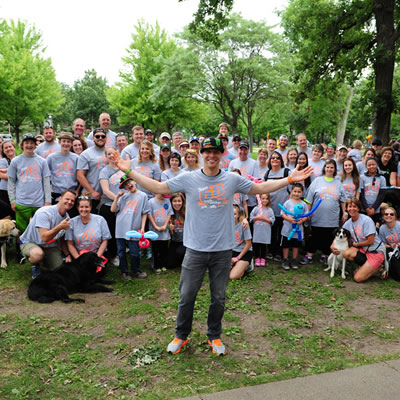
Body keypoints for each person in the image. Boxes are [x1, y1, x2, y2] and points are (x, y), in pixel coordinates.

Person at [112, 137, 313, 356]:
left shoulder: (231, 180)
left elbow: (260, 187)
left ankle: (214, 336)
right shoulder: (188, 179)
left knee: (218, 297)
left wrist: (290, 178)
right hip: (195, 249)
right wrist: (129, 172)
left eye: (216, 152)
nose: (211, 156)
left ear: (221, 154)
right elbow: (158, 186)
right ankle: (181, 335)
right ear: (201, 154)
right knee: (187, 295)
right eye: (207, 152)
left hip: (222, 250)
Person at [19, 190, 76, 278]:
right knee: (37, 254)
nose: (69, 202)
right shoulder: (45, 212)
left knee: (60, 270)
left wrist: (67, 254)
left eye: (72, 201)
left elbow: (61, 239)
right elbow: (44, 237)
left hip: (49, 246)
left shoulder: (67, 218)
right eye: (67, 199)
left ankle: (44, 260)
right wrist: (60, 227)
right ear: (60, 199)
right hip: (30, 242)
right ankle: (35, 264)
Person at [300, 159, 347, 265]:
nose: (329, 169)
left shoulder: (338, 183)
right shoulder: (317, 181)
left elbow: (343, 200)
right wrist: (308, 212)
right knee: (315, 235)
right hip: (317, 215)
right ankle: (309, 255)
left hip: (332, 217)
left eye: (332, 167)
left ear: (335, 169)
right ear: (324, 168)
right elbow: (309, 199)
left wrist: (344, 212)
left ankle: (325, 255)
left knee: (329, 236)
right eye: (327, 167)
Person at [8, 133, 51, 233]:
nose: (29, 145)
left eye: (32, 143)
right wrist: (12, 200)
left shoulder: (42, 161)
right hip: (22, 202)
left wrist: (47, 201)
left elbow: (46, 182)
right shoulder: (15, 161)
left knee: (40, 229)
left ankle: (39, 247)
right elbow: (11, 182)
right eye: (26, 143)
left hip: (39, 202)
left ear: (35, 145)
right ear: (22, 145)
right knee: (21, 230)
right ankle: (21, 247)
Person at [336, 198, 385, 282]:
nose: (352, 209)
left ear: (359, 208)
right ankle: (368, 266)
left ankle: (379, 267)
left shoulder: (367, 220)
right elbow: (340, 235)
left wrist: (356, 245)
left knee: (357, 278)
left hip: (375, 251)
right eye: (349, 207)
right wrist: (332, 246)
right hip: (363, 250)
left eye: (354, 206)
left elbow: (371, 241)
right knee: (346, 253)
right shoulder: (347, 224)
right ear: (346, 209)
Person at [111, 176, 149, 280]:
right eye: (125, 185)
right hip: (120, 228)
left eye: (129, 182)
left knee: (134, 251)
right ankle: (124, 271)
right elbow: (113, 209)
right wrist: (116, 198)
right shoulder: (123, 197)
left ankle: (136, 270)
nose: (128, 185)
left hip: (134, 228)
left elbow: (145, 212)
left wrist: (142, 227)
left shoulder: (143, 196)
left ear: (134, 181)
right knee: (121, 251)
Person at [263, 151, 291, 261]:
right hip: (270, 209)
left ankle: (279, 252)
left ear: (281, 160)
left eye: (277, 158)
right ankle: (271, 251)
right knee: (272, 232)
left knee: (281, 232)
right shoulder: (267, 174)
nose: (275, 160)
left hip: (283, 210)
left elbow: (292, 190)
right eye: (273, 158)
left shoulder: (286, 172)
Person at [99, 147, 124, 265]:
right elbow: (106, 190)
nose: (111, 155)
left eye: (113, 153)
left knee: (121, 231)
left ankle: (122, 252)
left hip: (124, 205)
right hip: (109, 205)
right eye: (108, 154)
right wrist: (118, 200)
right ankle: (113, 254)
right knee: (112, 232)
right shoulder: (104, 171)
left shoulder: (122, 168)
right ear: (106, 156)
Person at [76, 127, 108, 211]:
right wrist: (92, 192)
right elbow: (80, 175)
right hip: (90, 196)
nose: (100, 138)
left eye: (102, 136)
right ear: (93, 138)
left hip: (107, 197)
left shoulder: (111, 152)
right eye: (97, 136)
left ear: (106, 138)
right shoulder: (86, 154)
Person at [46, 132, 80, 204]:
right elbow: (45, 175)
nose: (66, 143)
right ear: (59, 142)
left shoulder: (76, 158)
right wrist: (48, 191)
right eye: (64, 141)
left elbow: (81, 176)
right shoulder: (51, 157)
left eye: (68, 141)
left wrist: (77, 191)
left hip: (72, 193)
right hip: (56, 193)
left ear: (71, 143)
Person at [280, 183, 308, 270]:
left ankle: (294, 259)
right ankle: (285, 259)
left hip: (298, 230)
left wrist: (302, 220)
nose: (296, 193)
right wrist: (289, 219)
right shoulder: (288, 203)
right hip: (287, 229)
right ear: (291, 191)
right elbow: (282, 213)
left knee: (296, 245)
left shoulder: (303, 204)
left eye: (299, 192)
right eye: (295, 191)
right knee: (286, 245)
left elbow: (306, 215)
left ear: (302, 193)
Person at [148, 192, 173, 273]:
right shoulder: (151, 202)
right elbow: (149, 214)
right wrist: (155, 226)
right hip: (154, 232)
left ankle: (163, 265)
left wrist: (165, 225)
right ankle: (156, 266)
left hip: (164, 231)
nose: (163, 194)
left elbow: (169, 214)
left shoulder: (167, 201)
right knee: (155, 249)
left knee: (164, 249)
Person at [250, 193, 274, 267]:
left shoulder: (269, 210)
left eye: (266, 199)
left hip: (265, 232)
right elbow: (251, 218)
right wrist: (257, 218)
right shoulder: (256, 209)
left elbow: (272, 220)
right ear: (259, 199)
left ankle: (263, 258)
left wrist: (265, 219)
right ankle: (257, 258)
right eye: (263, 198)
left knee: (263, 245)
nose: (265, 200)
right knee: (257, 245)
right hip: (257, 231)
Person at [360, 157, 386, 223]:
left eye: (373, 164)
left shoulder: (382, 178)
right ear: (366, 166)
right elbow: (361, 194)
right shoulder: (362, 178)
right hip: (364, 209)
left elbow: (381, 195)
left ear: (377, 165)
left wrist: (374, 208)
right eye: (369, 165)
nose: (371, 166)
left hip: (376, 209)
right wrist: (366, 208)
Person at [230, 204, 253, 280]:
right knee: (219, 273)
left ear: (238, 214)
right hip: (231, 251)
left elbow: (248, 244)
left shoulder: (244, 225)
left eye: (234, 214)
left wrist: (237, 258)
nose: (232, 216)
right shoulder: (225, 224)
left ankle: (246, 266)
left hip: (244, 252)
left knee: (232, 276)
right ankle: (236, 266)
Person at [168, 192, 186, 269]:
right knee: (170, 264)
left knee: (180, 252)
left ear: (182, 202)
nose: (177, 203)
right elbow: (171, 235)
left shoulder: (187, 213)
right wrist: (171, 230)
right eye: (174, 201)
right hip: (174, 241)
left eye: (179, 201)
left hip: (185, 242)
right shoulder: (170, 214)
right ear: (171, 202)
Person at [0, 140, 16, 218]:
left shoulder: (19, 159)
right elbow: (1, 175)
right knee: (8, 212)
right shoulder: (3, 161)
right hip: (5, 191)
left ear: (14, 148)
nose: (9, 149)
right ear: (3, 151)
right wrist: (16, 176)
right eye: (6, 148)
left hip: (16, 191)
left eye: (10, 146)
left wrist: (8, 171)